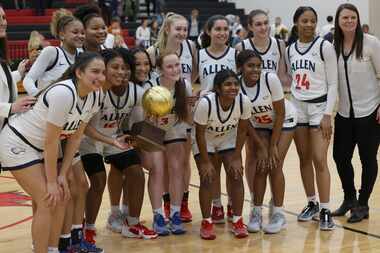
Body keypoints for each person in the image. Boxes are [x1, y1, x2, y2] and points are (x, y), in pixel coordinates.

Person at [0, 51, 105, 253]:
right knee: (48, 199)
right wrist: (51, 181)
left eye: (102, 72)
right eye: (94, 71)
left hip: (40, 148)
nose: (100, 77)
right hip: (17, 143)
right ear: (79, 72)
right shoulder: (64, 93)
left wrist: (63, 175)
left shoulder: (95, 95)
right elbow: (51, 142)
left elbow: (75, 138)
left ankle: (53, 249)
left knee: (62, 196)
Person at [79, 48, 158, 240]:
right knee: (98, 179)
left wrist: (155, 126)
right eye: (115, 67)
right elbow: (86, 128)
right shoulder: (96, 92)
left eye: (125, 68)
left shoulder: (137, 92)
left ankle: (132, 224)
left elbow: (137, 126)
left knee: (136, 171)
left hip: (115, 138)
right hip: (89, 140)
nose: (121, 72)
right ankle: (88, 227)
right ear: (104, 69)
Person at [286, 6, 338, 231]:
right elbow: (293, 77)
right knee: (304, 158)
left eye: (312, 21)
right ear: (296, 23)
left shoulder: (325, 46)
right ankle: (312, 203)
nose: (308, 25)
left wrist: (328, 113)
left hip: (319, 108)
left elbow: (334, 83)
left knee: (319, 158)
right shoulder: (290, 49)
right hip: (298, 107)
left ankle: (326, 209)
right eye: (304, 21)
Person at [237, 50, 297, 234]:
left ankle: (279, 214)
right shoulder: (237, 86)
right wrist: (261, 146)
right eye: (250, 66)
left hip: (284, 120)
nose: (256, 69)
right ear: (240, 68)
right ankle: (256, 211)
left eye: (258, 65)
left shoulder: (270, 79)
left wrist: (271, 146)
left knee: (274, 163)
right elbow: (245, 121)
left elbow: (280, 113)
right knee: (261, 164)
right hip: (257, 125)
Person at [332, 3, 380, 223]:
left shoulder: (371, 43)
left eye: (353, 17)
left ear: (358, 20)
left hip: (370, 112)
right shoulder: (332, 45)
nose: (349, 21)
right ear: (338, 21)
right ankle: (349, 198)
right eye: (345, 18)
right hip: (343, 114)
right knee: (340, 157)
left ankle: (363, 203)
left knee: (368, 159)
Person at [147, 12, 197, 223]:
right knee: (159, 164)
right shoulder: (152, 51)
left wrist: (185, 95)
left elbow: (193, 74)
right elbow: (145, 77)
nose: (182, 33)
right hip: (155, 112)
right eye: (178, 29)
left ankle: (181, 204)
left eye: (185, 29)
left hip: (179, 110)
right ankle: (164, 204)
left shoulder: (191, 47)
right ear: (167, 29)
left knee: (181, 162)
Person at [193, 69, 251, 240]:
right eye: (227, 84)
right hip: (205, 140)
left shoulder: (243, 101)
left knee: (236, 174)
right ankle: (206, 221)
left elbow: (242, 131)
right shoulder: (206, 104)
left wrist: (236, 157)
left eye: (235, 84)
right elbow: (199, 134)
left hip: (228, 138)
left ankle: (238, 220)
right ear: (217, 88)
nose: (233, 87)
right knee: (208, 177)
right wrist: (204, 161)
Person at [142, 53, 192, 235]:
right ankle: (158, 215)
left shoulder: (184, 85)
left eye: (177, 65)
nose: (175, 69)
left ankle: (176, 213)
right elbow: (142, 119)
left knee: (177, 168)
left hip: (174, 128)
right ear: (160, 69)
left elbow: (187, 116)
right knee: (157, 170)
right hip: (152, 130)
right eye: (170, 67)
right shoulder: (150, 86)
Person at [198, 14, 237, 223]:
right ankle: (217, 205)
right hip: (209, 116)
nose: (222, 33)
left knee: (231, 167)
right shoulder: (200, 54)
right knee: (212, 167)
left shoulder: (234, 53)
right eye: (218, 29)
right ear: (208, 31)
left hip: (230, 115)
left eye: (225, 29)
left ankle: (232, 204)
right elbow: (192, 81)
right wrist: (198, 95)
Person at [23, 9, 85, 96]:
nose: (80, 36)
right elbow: (28, 79)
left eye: (82, 33)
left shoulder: (82, 54)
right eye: (75, 32)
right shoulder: (51, 52)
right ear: (62, 35)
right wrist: (38, 96)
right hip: (48, 107)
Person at [0, 4, 35, 130]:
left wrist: (18, 73)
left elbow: (3, 82)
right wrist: (11, 107)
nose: (3, 22)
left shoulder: (1, 52)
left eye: (3, 18)